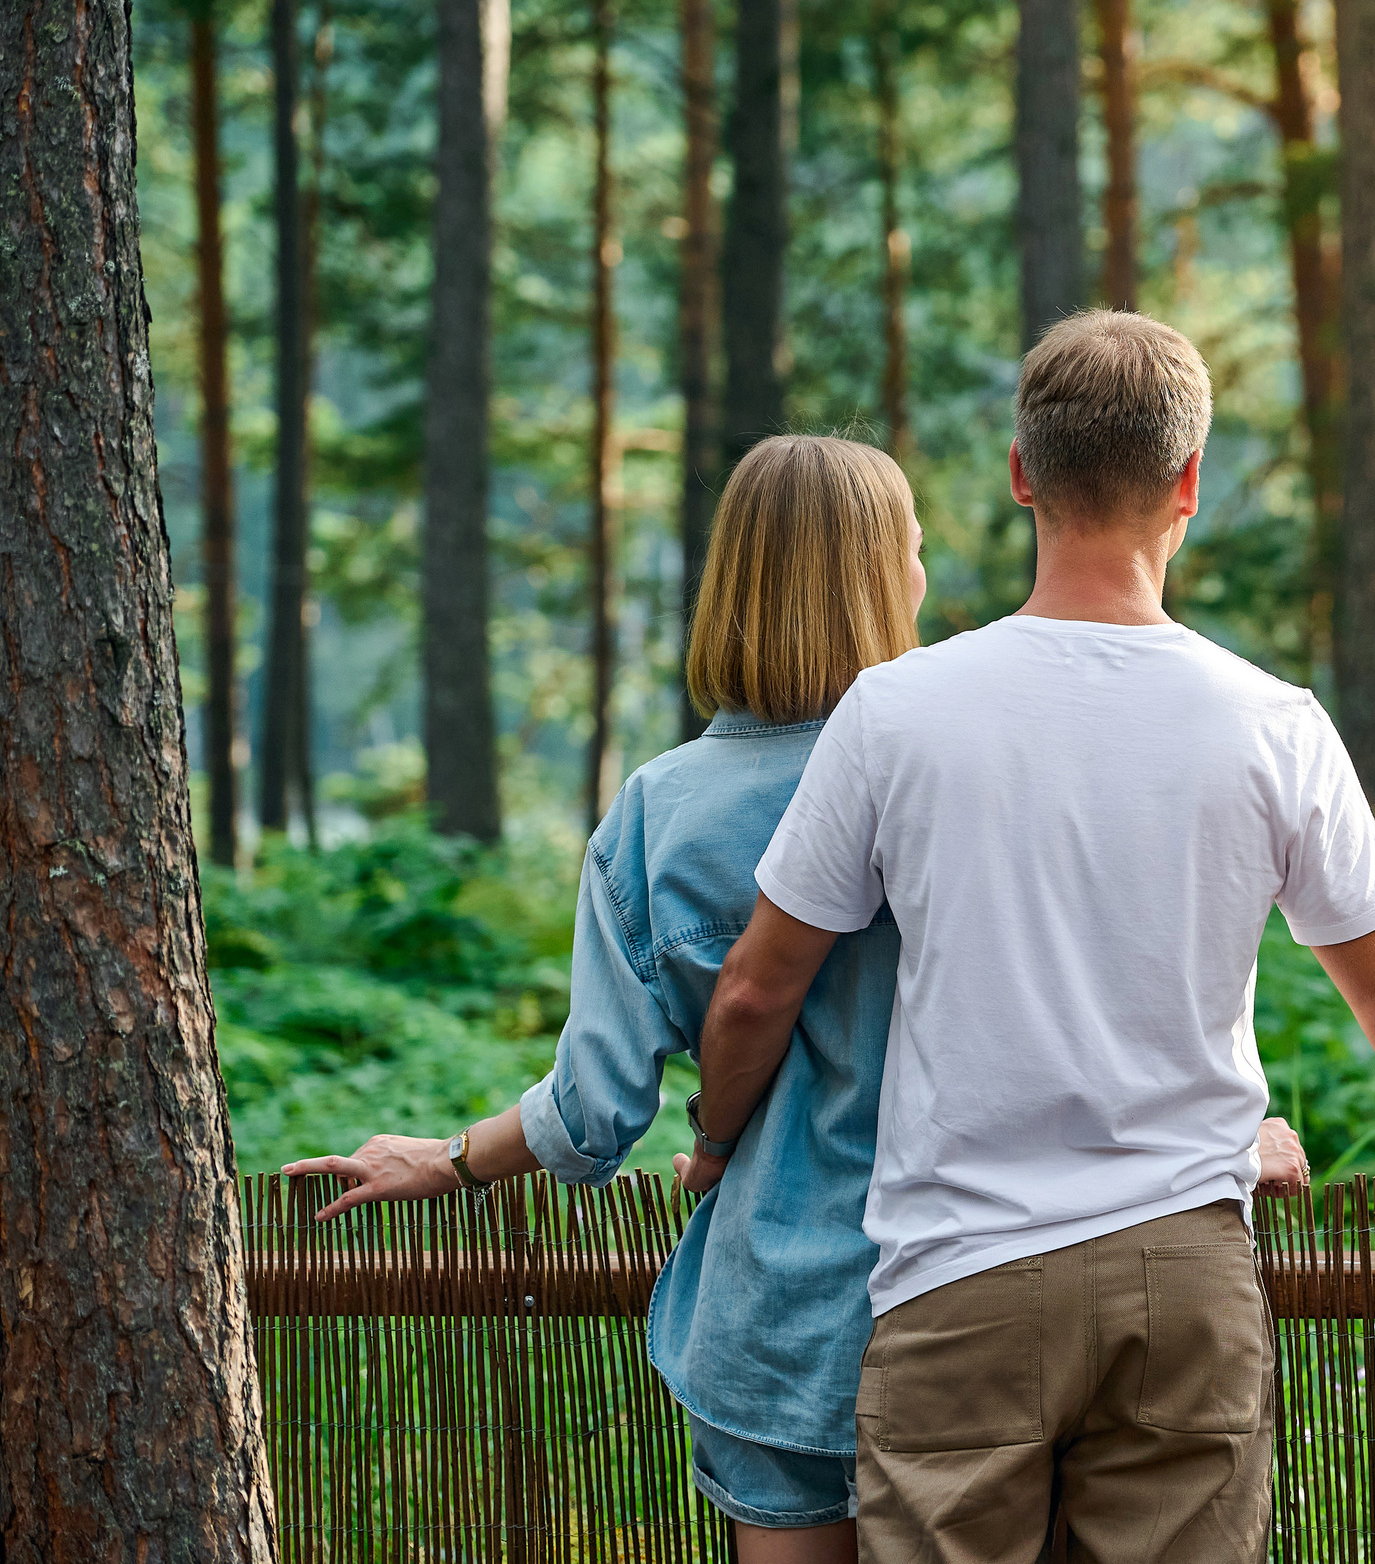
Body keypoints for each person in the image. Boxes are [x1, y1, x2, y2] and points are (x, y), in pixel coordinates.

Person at [689, 311, 1375, 1564]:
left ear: (1022, 473)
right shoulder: (1270, 722)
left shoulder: (896, 712)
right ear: (1189, 483)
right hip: (1182, 1275)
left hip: (955, 1279)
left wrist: (711, 1139)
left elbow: (757, 990)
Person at [281, 434, 1315, 1563]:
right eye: (913, 553)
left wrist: (456, 1156)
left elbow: (594, 1112)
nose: (924, 577)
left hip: (784, 1320)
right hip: (1002, 1286)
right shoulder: (972, 764)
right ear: (885, 578)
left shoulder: (658, 816)